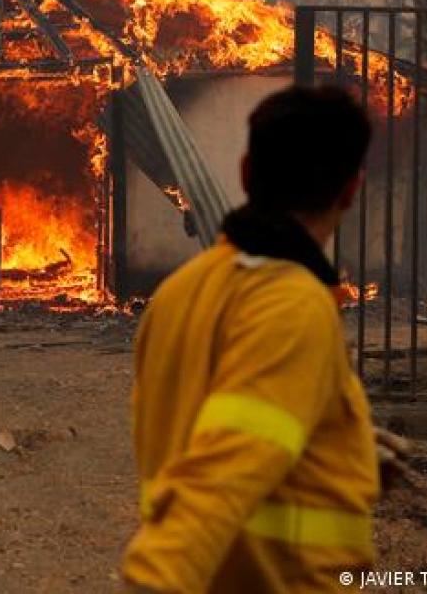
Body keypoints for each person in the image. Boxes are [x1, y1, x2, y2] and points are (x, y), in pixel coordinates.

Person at [122, 86, 384, 593]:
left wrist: (340, 455)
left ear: (245, 173)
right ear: (351, 190)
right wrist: (156, 577)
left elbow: (196, 429)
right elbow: (225, 468)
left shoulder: (176, 294)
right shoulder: (294, 305)